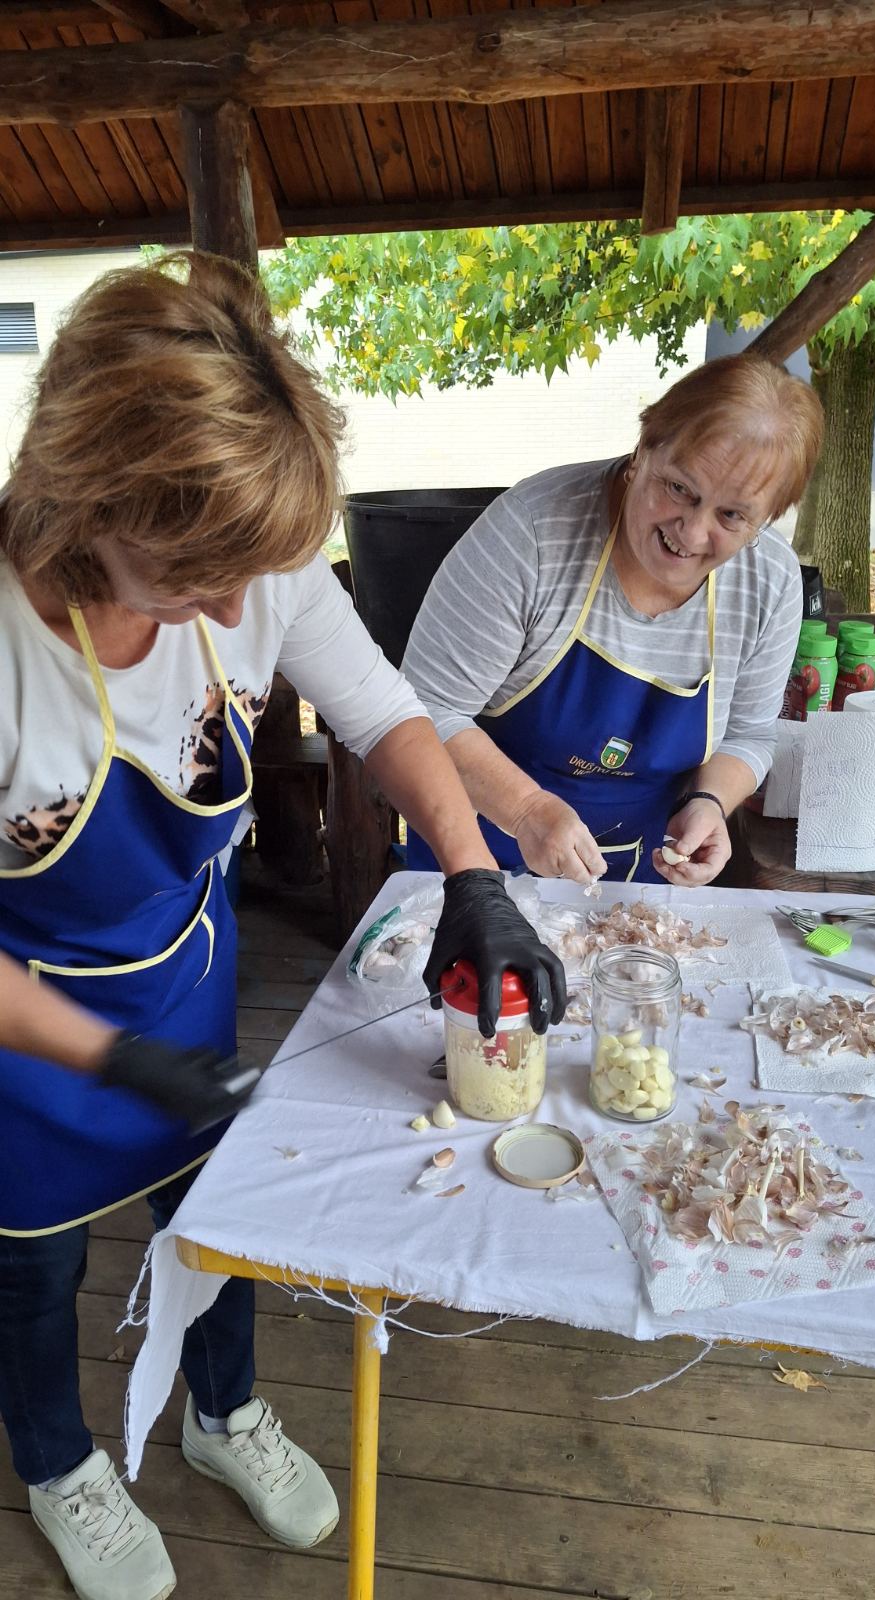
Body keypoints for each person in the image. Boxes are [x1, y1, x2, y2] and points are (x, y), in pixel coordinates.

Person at [0, 252, 565, 1600]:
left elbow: (384, 717)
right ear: (88, 502)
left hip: (183, 974)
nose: (243, 610)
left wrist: (473, 877)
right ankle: (62, 1463)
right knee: (34, 1275)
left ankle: (221, 1412)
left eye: (259, 573)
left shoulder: (256, 564)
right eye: (196, 575)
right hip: (24, 1029)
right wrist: (104, 1058)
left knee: (221, 1214)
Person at [403, 355, 823, 887]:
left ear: (768, 517)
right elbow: (422, 711)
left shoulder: (769, 579)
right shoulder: (533, 532)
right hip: (473, 857)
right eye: (678, 489)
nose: (691, 534)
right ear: (643, 449)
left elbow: (750, 734)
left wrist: (710, 801)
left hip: (639, 881)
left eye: (732, 516)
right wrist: (529, 809)